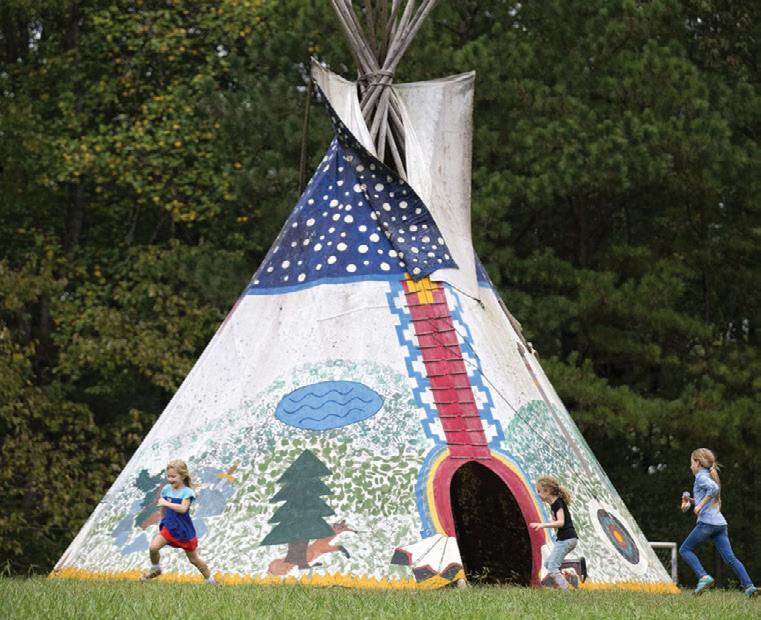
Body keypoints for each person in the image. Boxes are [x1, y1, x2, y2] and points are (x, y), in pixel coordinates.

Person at [679, 448, 757, 598]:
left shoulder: (701, 477)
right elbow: (711, 493)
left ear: (697, 463)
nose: (690, 466)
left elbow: (714, 489)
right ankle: (749, 587)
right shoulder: (709, 476)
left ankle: (703, 576)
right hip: (720, 524)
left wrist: (699, 507)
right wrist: (693, 501)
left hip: (707, 523)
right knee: (731, 559)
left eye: (691, 463)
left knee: (685, 549)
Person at [140, 459, 216, 584]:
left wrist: (166, 503)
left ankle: (209, 579)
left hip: (183, 530)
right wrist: (163, 519)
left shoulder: (187, 492)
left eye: (173, 476)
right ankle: (156, 569)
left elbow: (183, 508)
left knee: (193, 560)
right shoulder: (166, 489)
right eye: (168, 476)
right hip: (169, 527)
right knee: (153, 548)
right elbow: (162, 507)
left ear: (183, 476)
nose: (170, 479)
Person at [530, 475, 578, 590]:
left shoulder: (558, 503)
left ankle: (565, 589)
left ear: (547, 491)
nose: (538, 494)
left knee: (552, 567)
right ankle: (570, 576)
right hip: (564, 539)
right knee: (548, 564)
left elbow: (561, 523)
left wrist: (542, 525)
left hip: (567, 539)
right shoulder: (554, 504)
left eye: (539, 491)